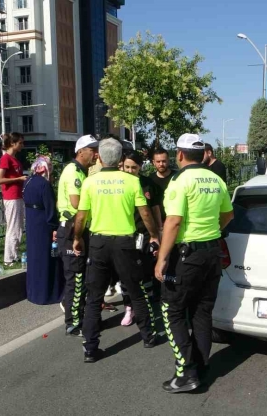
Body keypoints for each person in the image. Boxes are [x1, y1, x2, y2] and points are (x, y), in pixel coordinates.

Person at [154, 133, 234, 393]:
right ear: (203, 155)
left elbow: (173, 222)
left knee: (171, 310)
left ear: (179, 155)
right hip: (212, 254)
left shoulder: (180, 180)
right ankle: (201, 368)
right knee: (202, 311)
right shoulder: (215, 179)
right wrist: (211, 232)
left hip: (187, 256)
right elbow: (228, 214)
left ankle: (186, 372)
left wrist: (162, 258)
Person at [73, 138, 162, 363]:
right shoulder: (132, 182)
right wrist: (153, 235)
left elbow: (81, 216)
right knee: (135, 290)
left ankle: (91, 348)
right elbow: (145, 213)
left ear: (100, 158)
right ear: (121, 159)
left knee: (94, 296)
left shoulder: (90, 183)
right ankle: (148, 336)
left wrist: (76, 238)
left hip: (99, 243)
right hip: (125, 244)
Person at [56, 135, 98, 336]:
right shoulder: (73, 171)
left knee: (82, 274)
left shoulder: (82, 172)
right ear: (80, 151)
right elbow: (76, 202)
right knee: (75, 276)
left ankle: (79, 314)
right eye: (92, 149)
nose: (95, 153)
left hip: (79, 227)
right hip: (72, 228)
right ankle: (73, 322)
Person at [120, 151, 163, 326]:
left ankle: (148, 307)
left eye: (134, 167)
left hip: (144, 235)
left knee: (145, 272)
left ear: (140, 167)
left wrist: (158, 233)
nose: (130, 171)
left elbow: (154, 210)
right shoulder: (118, 183)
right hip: (123, 234)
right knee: (125, 275)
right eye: (127, 167)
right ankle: (129, 308)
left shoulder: (147, 184)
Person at [22, 156, 62, 304]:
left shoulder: (28, 181)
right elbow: (50, 208)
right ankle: (47, 293)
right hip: (43, 223)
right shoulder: (45, 185)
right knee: (46, 258)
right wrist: (54, 227)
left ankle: (33, 293)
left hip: (32, 222)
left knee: (34, 258)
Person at [0, 133, 27, 266]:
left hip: (18, 196)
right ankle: (8, 258)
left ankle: (14, 255)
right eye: (20, 143)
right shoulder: (6, 159)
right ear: (12, 143)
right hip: (11, 196)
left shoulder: (16, 160)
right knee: (13, 227)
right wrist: (18, 179)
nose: (22, 145)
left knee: (18, 227)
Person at [149, 147, 176, 224]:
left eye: (163, 161)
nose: (161, 164)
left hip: (174, 219)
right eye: (158, 161)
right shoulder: (150, 180)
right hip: (156, 222)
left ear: (168, 161)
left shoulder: (177, 177)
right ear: (153, 162)